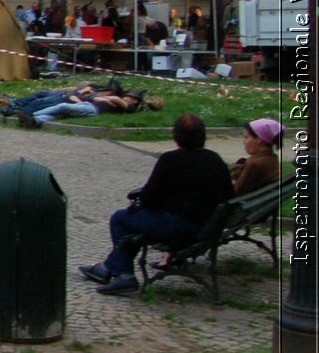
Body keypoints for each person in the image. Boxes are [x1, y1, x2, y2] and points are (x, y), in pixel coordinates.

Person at [78, 113, 233, 295]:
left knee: (120, 219)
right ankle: (106, 267)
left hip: (178, 228)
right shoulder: (215, 160)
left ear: (176, 136)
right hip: (206, 227)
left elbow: (150, 198)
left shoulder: (170, 160)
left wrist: (147, 201)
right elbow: (228, 196)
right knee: (136, 220)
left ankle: (124, 275)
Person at [18, 88, 145, 128]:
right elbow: (96, 98)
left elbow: (115, 99)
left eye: (130, 97)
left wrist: (110, 99)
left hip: (94, 110)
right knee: (61, 114)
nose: (128, 98)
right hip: (90, 105)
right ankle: (35, 121)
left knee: (63, 106)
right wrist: (107, 99)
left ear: (135, 101)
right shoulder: (120, 102)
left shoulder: (129, 107)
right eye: (128, 96)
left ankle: (33, 115)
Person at [231, 119, 283, 195]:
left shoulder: (255, 164)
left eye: (246, 137)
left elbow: (236, 191)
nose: (243, 142)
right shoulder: (271, 158)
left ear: (259, 139)